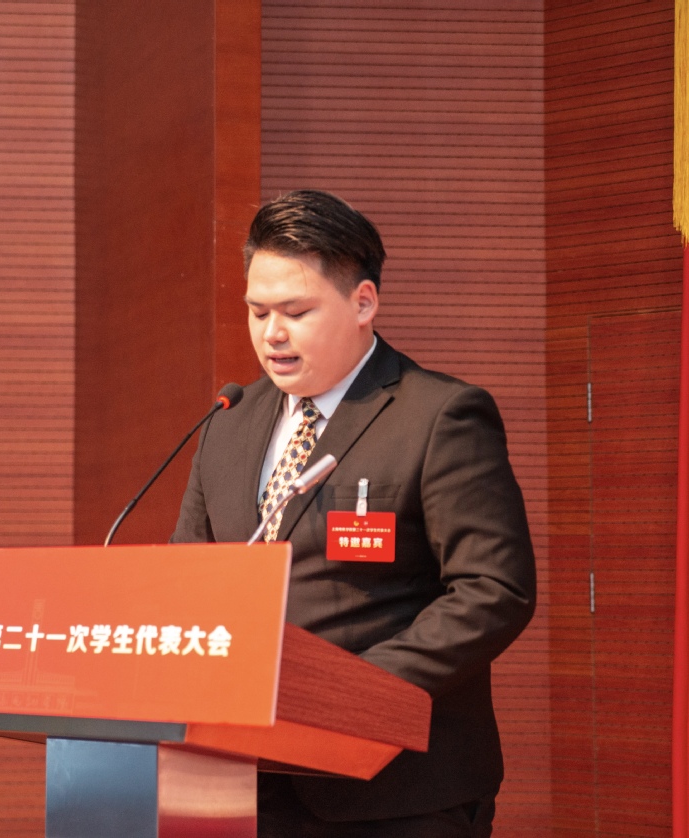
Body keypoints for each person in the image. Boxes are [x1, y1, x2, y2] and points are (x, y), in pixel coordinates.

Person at [171, 189, 537, 837]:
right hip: (251, 781)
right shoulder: (229, 421)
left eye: (296, 312)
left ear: (363, 303)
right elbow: (190, 579)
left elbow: (493, 590)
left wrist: (354, 692)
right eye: (257, 312)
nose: (271, 334)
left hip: (396, 790)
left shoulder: (438, 417)